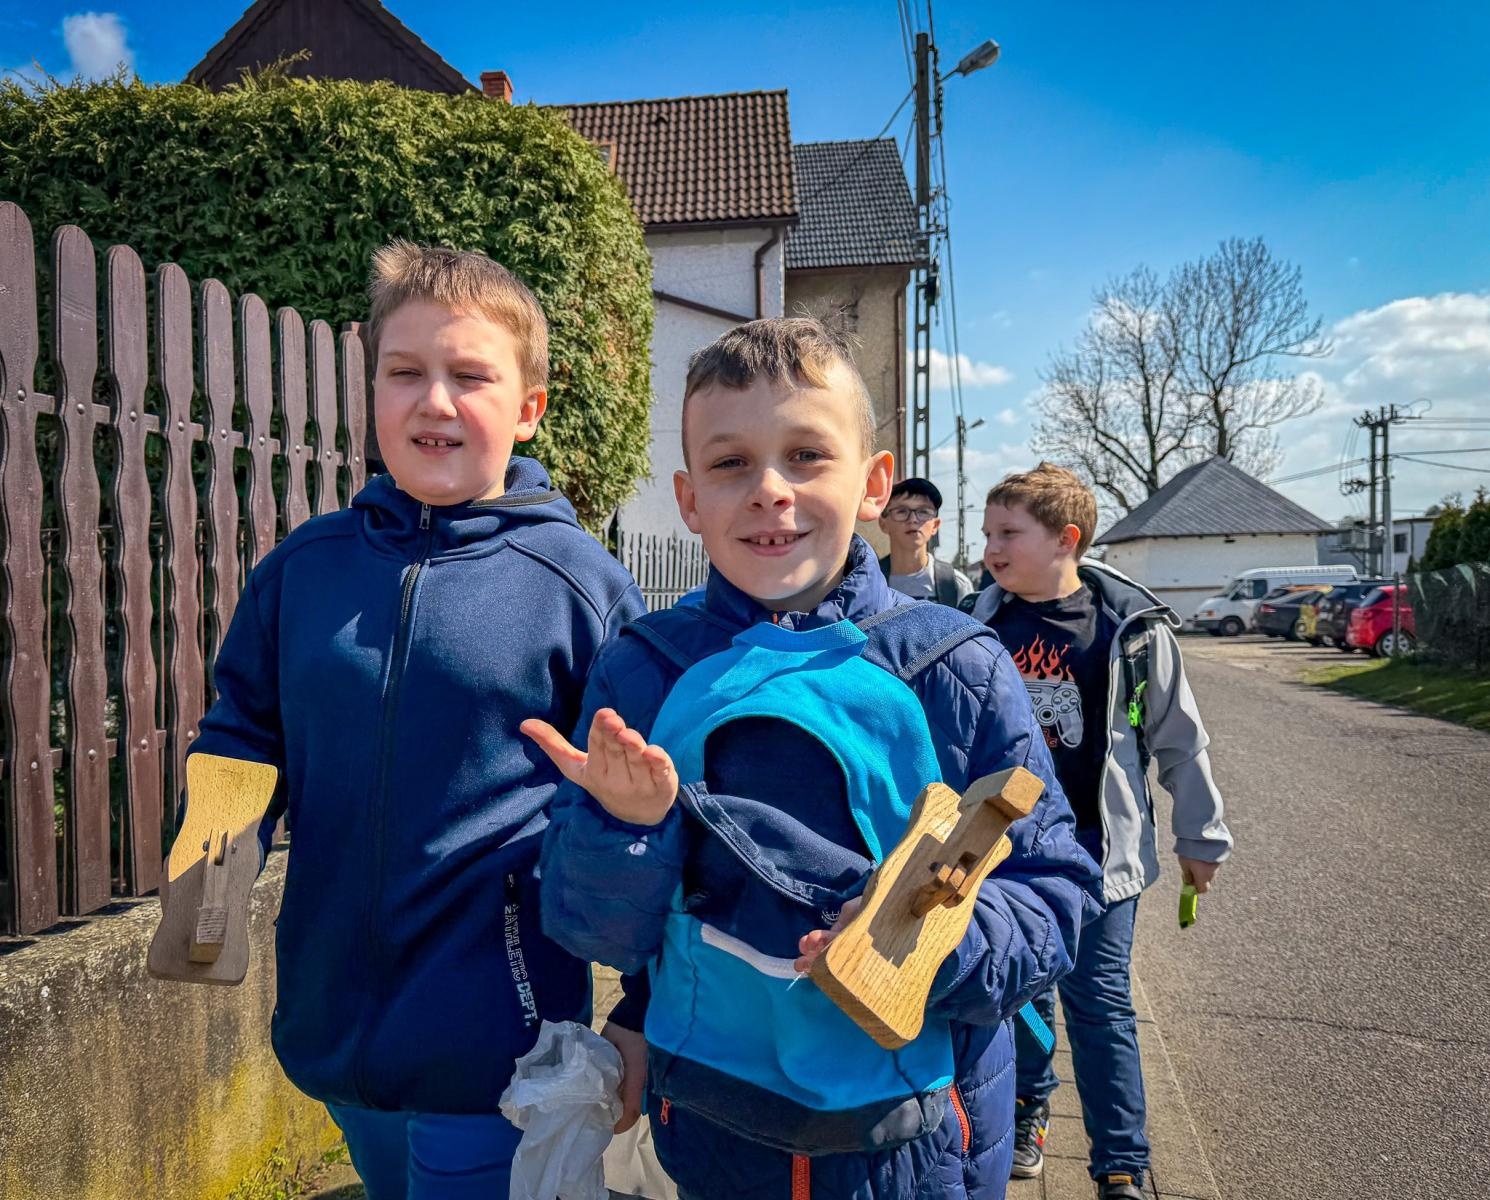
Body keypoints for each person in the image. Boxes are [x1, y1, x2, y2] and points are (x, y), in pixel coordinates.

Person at [529, 319, 1101, 1200]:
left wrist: (922, 946)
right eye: (730, 464)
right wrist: (623, 828)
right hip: (712, 1131)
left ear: (873, 484)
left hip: (921, 1143)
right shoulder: (643, 671)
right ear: (687, 499)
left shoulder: (956, 667)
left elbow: (1055, 889)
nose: (769, 491)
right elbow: (593, 930)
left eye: (805, 455)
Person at [180, 242, 645, 1200]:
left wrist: (641, 1004)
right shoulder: (301, 570)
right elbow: (242, 730)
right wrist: (209, 879)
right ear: (373, 393)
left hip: (497, 1037)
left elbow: (648, 807)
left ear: (528, 409)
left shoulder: (580, 586)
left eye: (470, 376)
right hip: (327, 1023)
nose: (435, 400)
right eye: (406, 373)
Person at [972, 463, 1232, 1200]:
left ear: (1067, 540)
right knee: (1020, 996)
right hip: (1005, 857)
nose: (990, 548)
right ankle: (1027, 1108)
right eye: (988, 532)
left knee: (1101, 1005)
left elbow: (1181, 740)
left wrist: (1200, 838)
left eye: (1008, 534)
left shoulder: (1133, 632)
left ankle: (1120, 1163)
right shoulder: (977, 623)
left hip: (1098, 857)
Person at [877, 477, 974, 606]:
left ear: (935, 525)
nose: (913, 520)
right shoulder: (867, 581)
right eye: (901, 511)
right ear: (883, 524)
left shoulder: (955, 585)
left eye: (923, 512)